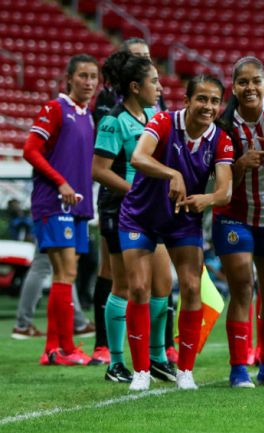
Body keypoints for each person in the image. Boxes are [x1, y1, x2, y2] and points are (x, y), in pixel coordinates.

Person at [120, 74, 233, 391]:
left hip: (183, 218)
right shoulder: (163, 122)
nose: (208, 106)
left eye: (214, 101)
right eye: (202, 99)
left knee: (192, 288)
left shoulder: (220, 140)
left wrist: (207, 198)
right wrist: (172, 173)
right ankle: (141, 371)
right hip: (141, 216)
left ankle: (185, 371)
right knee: (139, 289)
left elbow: (224, 192)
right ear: (187, 101)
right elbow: (138, 157)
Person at [92, 50, 176, 383]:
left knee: (162, 284)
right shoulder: (113, 120)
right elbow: (98, 170)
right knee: (126, 285)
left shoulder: (156, 114)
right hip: (123, 208)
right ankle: (115, 362)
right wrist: (135, 190)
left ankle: (156, 357)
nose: (159, 87)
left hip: (152, 209)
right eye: (153, 81)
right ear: (135, 86)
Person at [212, 56, 264, 387]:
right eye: (243, 82)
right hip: (234, 216)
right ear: (234, 87)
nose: (250, 88)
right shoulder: (224, 124)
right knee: (243, 287)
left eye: (256, 81)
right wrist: (239, 165)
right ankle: (238, 369)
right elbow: (214, 177)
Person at [23, 54, 99, 366]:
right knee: (65, 273)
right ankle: (61, 348)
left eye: (94, 76)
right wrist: (61, 184)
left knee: (66, 274)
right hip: (55, 201)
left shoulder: (88, 116)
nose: (89, 82)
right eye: (83, 75)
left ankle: (56, 348)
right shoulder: (56, 109)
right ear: (69, 78)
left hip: (79, 205)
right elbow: (30, 150)